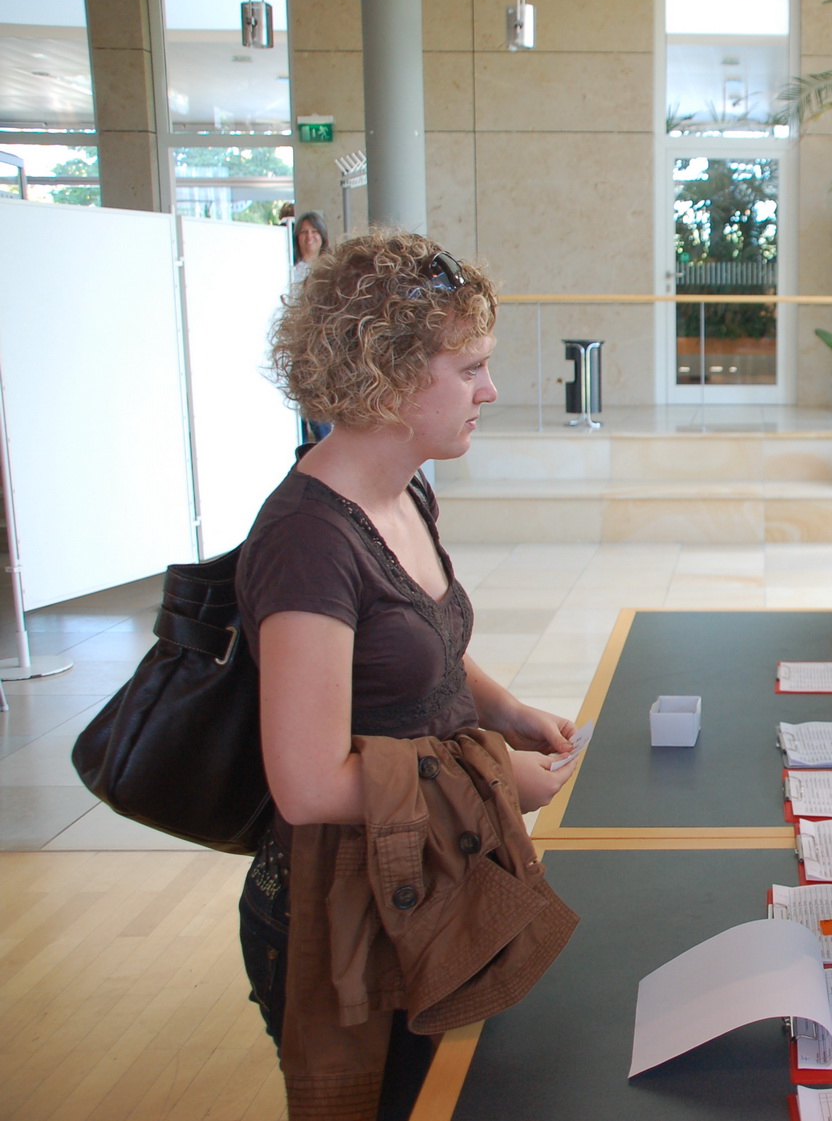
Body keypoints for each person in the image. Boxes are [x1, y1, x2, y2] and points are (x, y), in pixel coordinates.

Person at [238, 231, 581, 1118]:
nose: (491, 390)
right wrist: (495, 779)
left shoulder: (407, 490)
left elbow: (418, 637)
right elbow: (310, 784)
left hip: (417, 870)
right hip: (340, 909)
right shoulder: (308, 541)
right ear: (385, 375)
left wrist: (504, 709)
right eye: (469, 368)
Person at [291, 209, 329, 285]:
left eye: (314, 231)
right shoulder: (290, 269)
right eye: (304, 232)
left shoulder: (330, 267)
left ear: (322, 235)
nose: (309, 236)